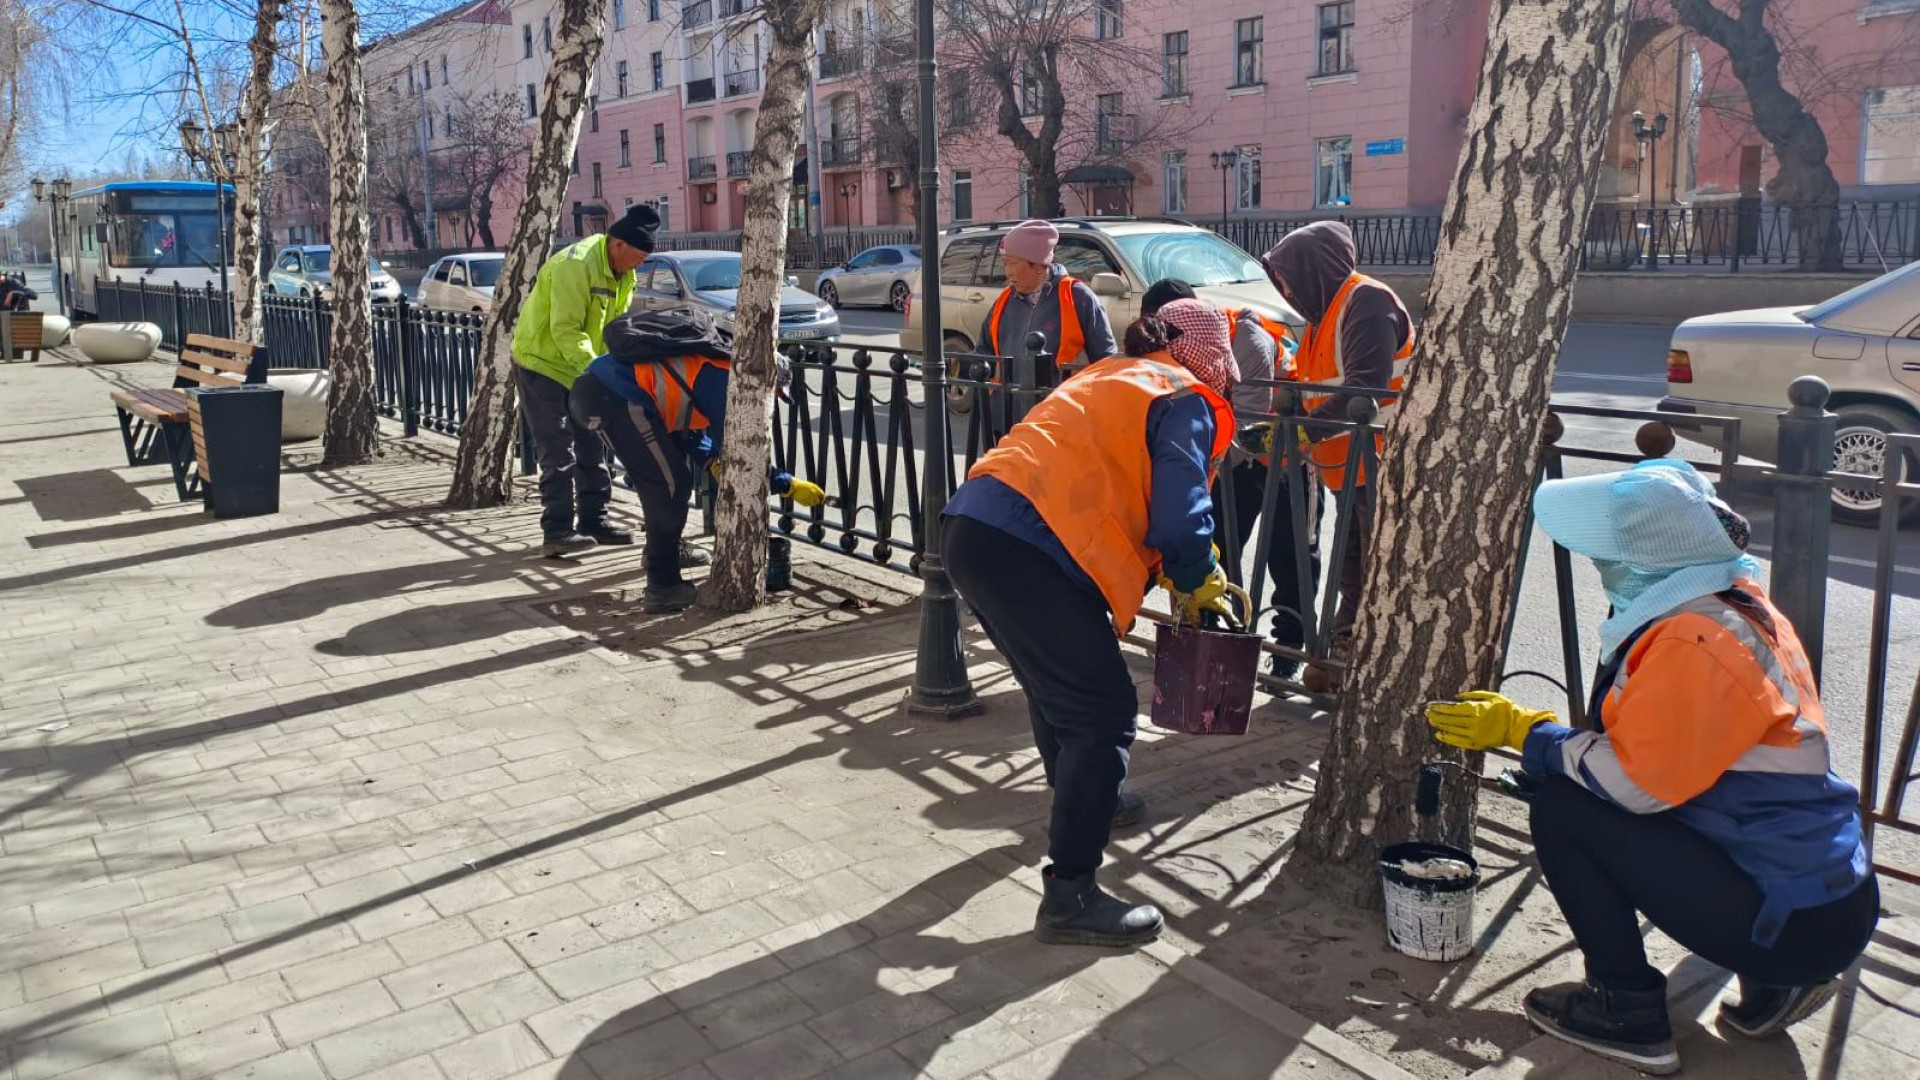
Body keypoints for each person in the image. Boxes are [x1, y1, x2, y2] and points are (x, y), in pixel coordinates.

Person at [1425, 461, 1878, 1076]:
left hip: (1794, 917)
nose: (1596, 566)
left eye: (1605, 555)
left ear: (1645, 563)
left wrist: (1525, 733)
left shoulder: (1695, 642)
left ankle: (1626, 1009)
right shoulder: (1732, 606)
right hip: (1822, 894)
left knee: (1562, 807)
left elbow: (1635, 787)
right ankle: (1777, 983)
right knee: (1583, 787)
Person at [942, 306, 1239, 948]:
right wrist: (1196, 574)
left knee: (1058, 694)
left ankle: (1085, 796)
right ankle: (1071, 892)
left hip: (975, 526)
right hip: (1032, 546)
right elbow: (1182, 517)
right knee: (1102, 714)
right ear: (1206, 355)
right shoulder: (1180, 396)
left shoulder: (1112, 374)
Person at [571, 309, 827, 613]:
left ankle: (663, 554)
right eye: (775, 394)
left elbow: (687, 431)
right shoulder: (727, 379)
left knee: (666, 482)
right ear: (767, 381)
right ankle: (662, 586)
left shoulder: (718, 368)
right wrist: (786, 483)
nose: (772, 402)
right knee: (670, 486)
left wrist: (710, 460)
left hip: (600, 393)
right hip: (616, 397)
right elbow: (739, 451)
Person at [1261, 221, 1413, 692]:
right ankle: (1345, 659)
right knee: (1354, 572)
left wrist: (1299, 431)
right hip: (1347, 467)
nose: (1283, 288)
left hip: (1381, 460)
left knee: (1373, 574)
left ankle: (1363, 671)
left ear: (1313, 270)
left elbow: (1363, 385)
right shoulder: (1323, 316)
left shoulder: (1365, 301)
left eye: (1286, 276)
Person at [1140, 279, 1318, 680]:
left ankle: (1288, 648)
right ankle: (1212, 639)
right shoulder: (1184, 345)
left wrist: (1189, 461)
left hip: (1283, 460)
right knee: (1216, 546)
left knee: (1289, 556)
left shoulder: (1246, 340)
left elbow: (1247, 423)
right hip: (1228, 460)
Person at [512, 204, 658, 557]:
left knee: (594, 443)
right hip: (543, 363)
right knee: (558, 449)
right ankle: (557, 530)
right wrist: (598, 371)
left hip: (583, 366)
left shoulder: (625, 273)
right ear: (617, 244)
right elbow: (565, 330)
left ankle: (594, 520)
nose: (639, 267)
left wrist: (617, 364)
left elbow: (613, 328)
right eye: (637, 258)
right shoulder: (576, 265)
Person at [978, 220, 1119, 373]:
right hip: (1010, 396)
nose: (1007, 272)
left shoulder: (1078, 297)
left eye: (1012, 263)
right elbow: (983, 353)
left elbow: (1105, 360)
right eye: (1004, 263)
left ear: (1038, 265)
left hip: (1062, 396)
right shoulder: (1004, 300)